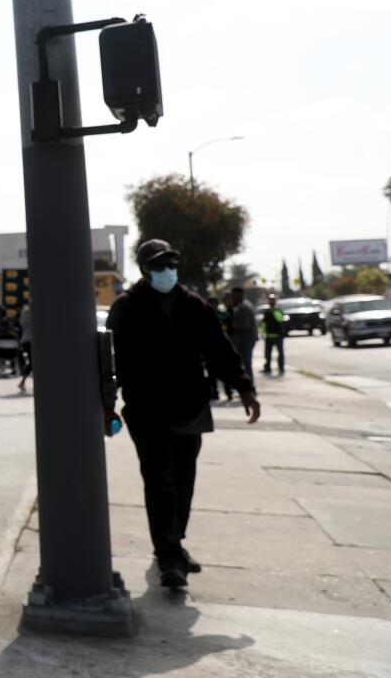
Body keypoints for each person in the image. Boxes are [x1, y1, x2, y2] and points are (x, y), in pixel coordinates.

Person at [108, 239, 260, 590]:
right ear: (145, 270)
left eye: (170, 264)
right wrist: (106, 405)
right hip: (146, 411)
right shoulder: (127, 308)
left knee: (184, 481)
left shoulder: (194, 306)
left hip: (190, 407)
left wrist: (244, 387)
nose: (166, 271)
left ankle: (174, 541)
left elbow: (220, 349)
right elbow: (113, 360)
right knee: (159, 482)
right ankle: (168, 557)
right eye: (159, 266)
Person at [227, 287, 257, 396]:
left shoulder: (243, 307)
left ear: (239, 294)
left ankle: (250, 389)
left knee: (246, 365)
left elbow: (244, 326)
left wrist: (229, 328)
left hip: (245, 340)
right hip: (244, 340)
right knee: (244, 365)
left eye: (233, 294)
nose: (232, 297)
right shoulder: (241, 306)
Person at [260, 293, 286, 375]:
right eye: (270, 300)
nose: (271, 301)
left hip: (278, 336)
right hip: (269, 336)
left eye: (273, 300)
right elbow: (264, 324)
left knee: (280, 353)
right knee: (267, 354)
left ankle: (281, 368)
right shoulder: (266, 312)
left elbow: (279, 319)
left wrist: (274, 311)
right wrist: (262, 333)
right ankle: (267, 368)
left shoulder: (278, 311)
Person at [17, 303, 33, 392]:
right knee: (33, 363)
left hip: (25, 339)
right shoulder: (34, 313)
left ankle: (23, 382)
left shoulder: (23, 313)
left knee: (32, 363)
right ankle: (22, 382)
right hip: (32, 341)